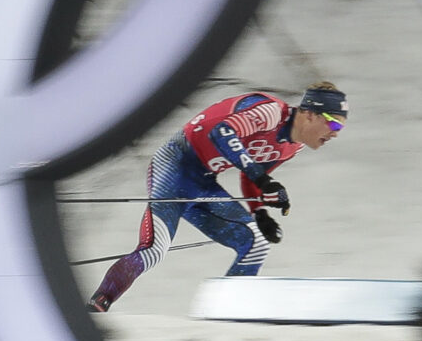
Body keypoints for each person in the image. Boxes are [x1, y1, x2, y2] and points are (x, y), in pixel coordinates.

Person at [88, 81, 347, 313]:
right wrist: (263, 180)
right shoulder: (271, 113)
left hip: (203, 181)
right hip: (174, 165)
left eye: (341, 127)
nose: (336, 133)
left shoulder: (293, 146)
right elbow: (222, 132)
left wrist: (260, 212)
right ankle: (99, 303)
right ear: (310, 114)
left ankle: (226, 315)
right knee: (154, 250)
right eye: (334, 123)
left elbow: (251, 176)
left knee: (256, 245)